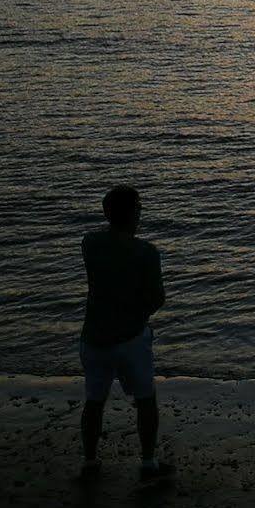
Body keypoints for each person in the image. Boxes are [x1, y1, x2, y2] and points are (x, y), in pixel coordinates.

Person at [79, 186, 169, 480]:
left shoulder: (90, 243)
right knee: (145, 399)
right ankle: (147, 461)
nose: (141, 213)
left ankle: (90, 461)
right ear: (132, 213)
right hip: (130, 337)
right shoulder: (146, 253)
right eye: (138, 208)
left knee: (94, 400)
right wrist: (137, 315)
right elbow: (156, 298)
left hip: (94, 337)